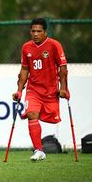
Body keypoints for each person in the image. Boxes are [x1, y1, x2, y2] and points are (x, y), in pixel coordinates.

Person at [12, 18, 69, 161]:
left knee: (52, 120)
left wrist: (64, 88)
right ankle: (39, 150)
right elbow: (24, 70)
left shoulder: (54, 45)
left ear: (45, 32)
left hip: (50, 91)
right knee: (31, 114)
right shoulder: (26, 47)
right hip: (33, 90)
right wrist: (19, 90)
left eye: (39, 31)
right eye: (33, 31)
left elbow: (63, 68)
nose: (35, 34)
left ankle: (39, 149)